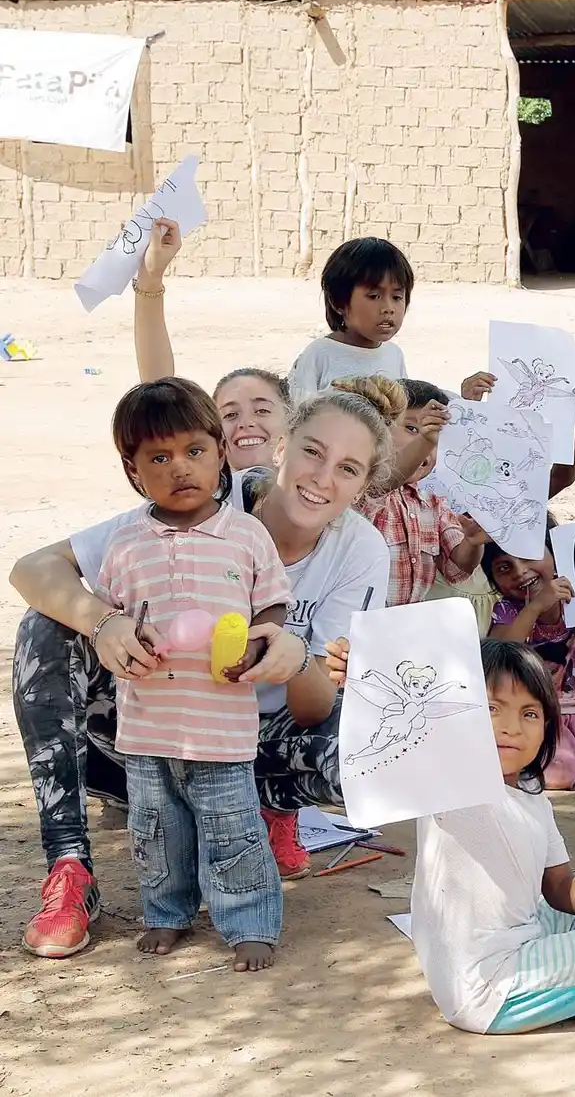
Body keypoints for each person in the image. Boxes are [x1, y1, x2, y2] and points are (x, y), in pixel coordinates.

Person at [10, 379, 396, 957]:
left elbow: (316, 710)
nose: (322, 478)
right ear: (279, 444)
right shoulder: (192, 496)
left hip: (256, 742)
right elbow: (31, 569)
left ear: (366, 485)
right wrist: (103, 620)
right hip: (153, 731)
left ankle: (270, 813)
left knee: (373, 755)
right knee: (44, 629)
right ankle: (71, 868)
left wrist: (294, 661)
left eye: (349, 468)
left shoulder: (359, 549)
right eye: (312, 451)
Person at [330, 640, 575, 1033]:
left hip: (517, 949)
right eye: (492, 708)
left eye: (529, 713)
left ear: (548, 726)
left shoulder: (532, 799)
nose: (511, 726)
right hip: (489, 989)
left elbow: (560, 885)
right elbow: (404, 737)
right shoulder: (455, 786)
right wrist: (359, 680)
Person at [97, 378, 293, 972]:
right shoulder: (126, 541)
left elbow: (273, 604)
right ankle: (167, 913)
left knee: (232, 827)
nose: (179, 468)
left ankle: (249, 920)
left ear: (220, 451)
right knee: (158, 832)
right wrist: (123, 635)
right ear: (134, 472)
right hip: (147, 726)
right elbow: (109, 617)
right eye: (158, 457)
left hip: (221, 725)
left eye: (194, 451)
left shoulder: (245, 533)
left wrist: (260, 643)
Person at [132, 219, 291, 471]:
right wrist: (150, 281)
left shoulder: (315, 495)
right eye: (229, 415)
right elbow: (159, 391)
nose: (246, 423)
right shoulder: (210, 499)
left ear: (293, 423)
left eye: (261, 410)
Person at [483, 524, 575, 790]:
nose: (520, 571)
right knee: (558, 775)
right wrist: (537, 605)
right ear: (494, 581)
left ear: (555, 553)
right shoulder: (506, 610)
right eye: (504, 568)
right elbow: (501, 652)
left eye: (528, 556)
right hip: (534, 711)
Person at [360, 379, 489, 607]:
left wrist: (473, 542)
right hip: (354, 629)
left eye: (439, 439)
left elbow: (459, 566)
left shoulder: (434, 505)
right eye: (412, 429)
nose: (430, 445)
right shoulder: (362, 487)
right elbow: (385, 482)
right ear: (377, 428)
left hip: (403, 628)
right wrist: (425, 439)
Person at [287, 237, 413, 403]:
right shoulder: (319, 355)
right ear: (339, 302)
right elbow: (300, 416)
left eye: (397, 297)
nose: (388, 308)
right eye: (374, 296)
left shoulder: (394, 355)